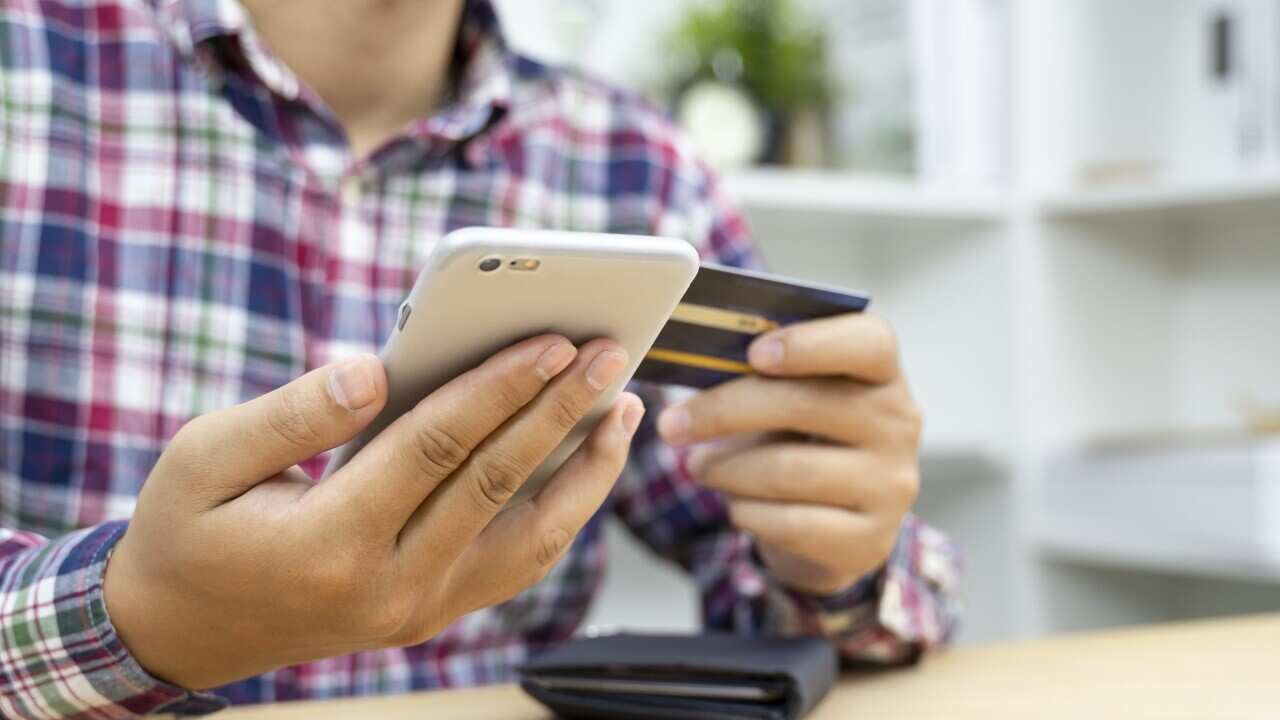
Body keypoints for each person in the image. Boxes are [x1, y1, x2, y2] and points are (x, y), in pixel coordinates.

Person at [0, 0, 960, 716]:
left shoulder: (636, 165)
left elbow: (774, 557)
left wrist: (835, 554)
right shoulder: (26, 68)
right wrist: (129, 618)